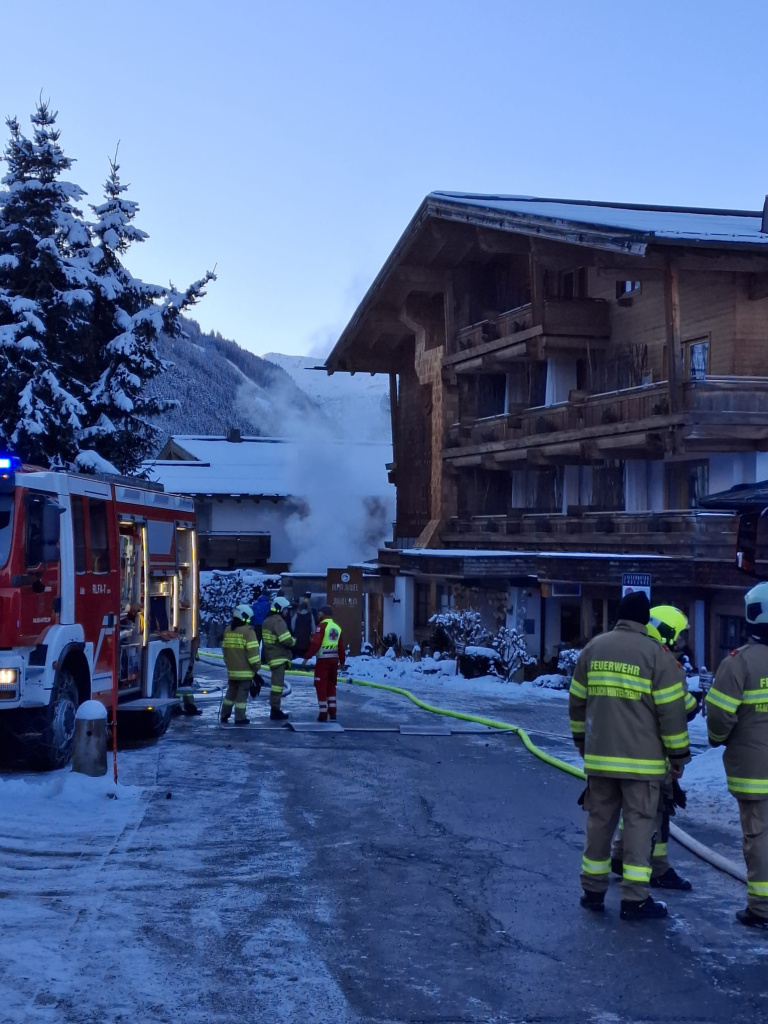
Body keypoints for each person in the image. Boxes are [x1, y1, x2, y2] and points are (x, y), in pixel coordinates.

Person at [569, 591, 691, 920]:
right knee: (638, 825)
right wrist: (678, 755)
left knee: (599, 822)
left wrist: (582, 741)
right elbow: (671, 713)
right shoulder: (657, 655)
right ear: (644, 620)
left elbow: (577, 701)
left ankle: (592, 891)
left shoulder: (593, 648)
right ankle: (634, 899)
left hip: (599, 759)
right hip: (643, 764)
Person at [611, 604, 698, 891]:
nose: (682, 645)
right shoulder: (665, 663)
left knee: (632, 810)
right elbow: (679, 710)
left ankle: (620, 854)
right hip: (653, 755)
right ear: (666, 635)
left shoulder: (632, 655)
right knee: (655, 811)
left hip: (621, 748)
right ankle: (658, 869)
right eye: (679, 637)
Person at [707, 582, 768, 929]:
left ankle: (760, 908)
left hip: (754, 772)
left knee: (759, 837)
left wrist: (718, 739)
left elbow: (718, 718)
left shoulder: (739, 663)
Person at [221, 604, 263, 726]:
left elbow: (224, 650)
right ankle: (240, 717)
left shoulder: (228, 629)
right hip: (245, 672)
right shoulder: (248, 632)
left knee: (230, 694)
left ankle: (224, 715)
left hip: (232, 671)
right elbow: (253, 653)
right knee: (241, 696)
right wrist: (256, 668)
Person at [302, 604, 345, 722]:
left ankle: (323, 713)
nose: (319, 614)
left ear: (325, 614)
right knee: (331, 685)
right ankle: (333, 711)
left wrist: (307, 657)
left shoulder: (321, 627)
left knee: (320, 685)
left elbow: (316, 644)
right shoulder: (337, 627)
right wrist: (342, 661)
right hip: (334, 661)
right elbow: (341, 646)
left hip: (323, 661)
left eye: (321, 613)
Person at [261, 597, 295, 721]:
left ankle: (275, 709)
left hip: (271, 656)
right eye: (286, 609)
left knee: (276, 684)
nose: (287, 612)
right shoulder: (278, 621)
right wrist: (294, 642)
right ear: (280, 608)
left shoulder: (267, 621)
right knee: (277, 686)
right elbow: (286, 639)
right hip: (279, 657)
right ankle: (275, 710)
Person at [292, 593, 316, 660]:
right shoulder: (310, 615)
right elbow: (313, 627)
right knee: (304, 655)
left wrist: (295, 632)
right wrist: (312, 634)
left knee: (297, 656)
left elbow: (292, 626)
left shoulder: (296, 615)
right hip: (307, 639)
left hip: (297, 639)